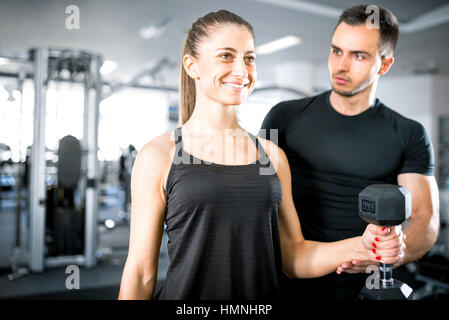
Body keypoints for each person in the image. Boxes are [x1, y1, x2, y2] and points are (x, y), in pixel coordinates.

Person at [118, 9, 404, 300]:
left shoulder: (272, 156)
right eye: (227, 56)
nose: (242, 71)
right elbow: (141, 273)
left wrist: (363, 245)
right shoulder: (159, 155)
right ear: (192, 65)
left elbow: (294, 257)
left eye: (249, 58)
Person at [261, 5, 440, 300]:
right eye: (336, 51)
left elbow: (426, 218)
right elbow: (258, 198)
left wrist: (398, 247)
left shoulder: (409, 133)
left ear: (384, 65)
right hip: (288, 280)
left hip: (364, 288)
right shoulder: (281, 117)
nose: (341, 65)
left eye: (358, 55)